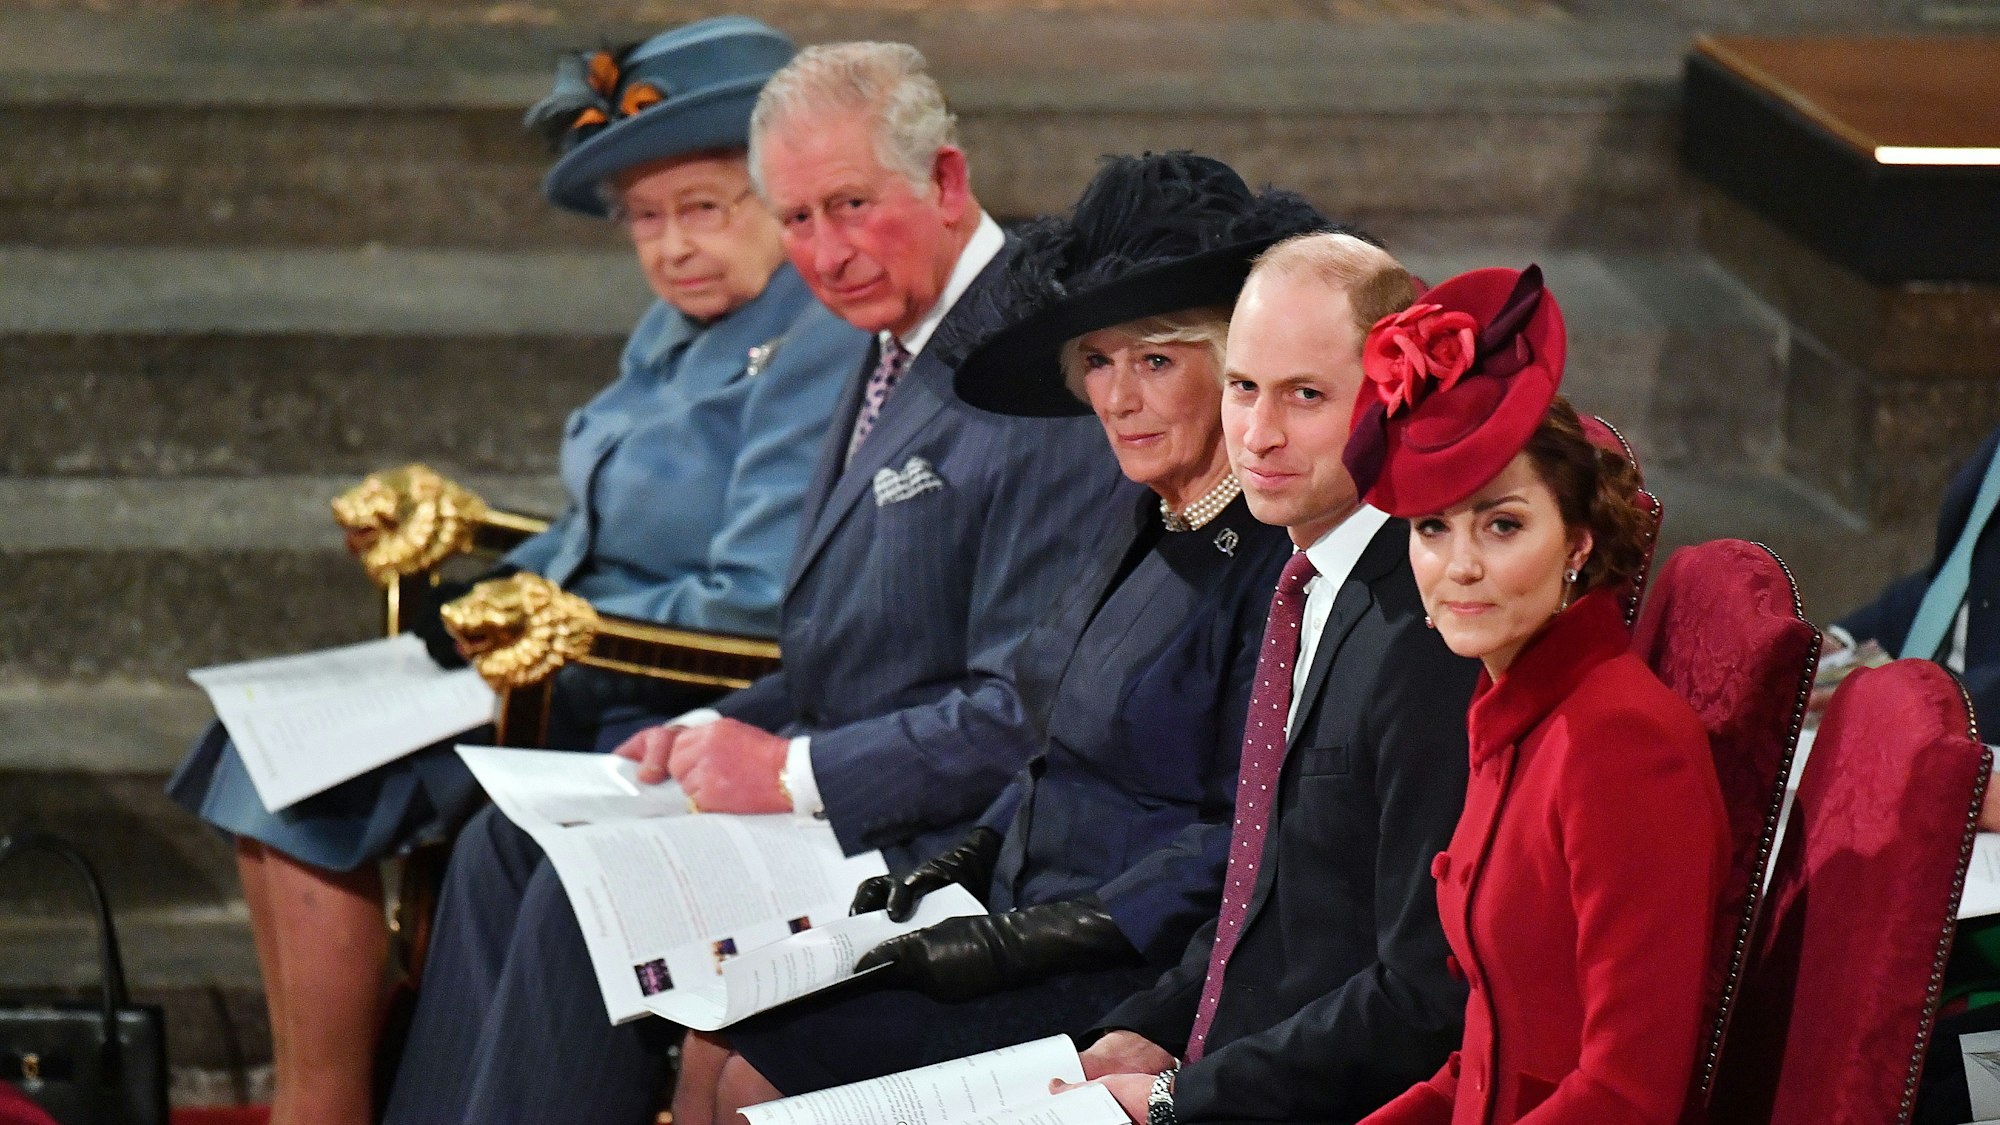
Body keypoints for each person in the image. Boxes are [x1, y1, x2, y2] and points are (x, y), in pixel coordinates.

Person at [379, 41, 1129, 1125]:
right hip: (843, 783)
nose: (825, 254)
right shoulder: (885, 334)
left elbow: (1025, 713)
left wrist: (788, 773)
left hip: (957, 837)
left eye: (851, 205)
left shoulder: (1029, 372)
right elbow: (844, 648)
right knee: (509, 844)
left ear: (947, 181)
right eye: (796, 220)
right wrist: (701, 732)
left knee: (583, 900)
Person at [163, 17, 865, 1124]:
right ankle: (322, 1096)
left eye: (701, 207)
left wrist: (547, 618)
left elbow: (756, 594)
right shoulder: (674, 327)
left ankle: (323, 1105)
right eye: (643, 217)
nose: (670, 244)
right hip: (564, 641)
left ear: (779, 197)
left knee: (303, 778)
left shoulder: (816, 333)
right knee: (261, 743)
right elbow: (596, 526)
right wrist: (492, 589)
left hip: (658, 681)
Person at [671, 152, 1326, 1121]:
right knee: (713, 1029)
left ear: (1235, 373)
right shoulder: (1143, 514)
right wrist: (965, 862)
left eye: (1154, 360)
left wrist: (1034, 938)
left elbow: (1237, 840)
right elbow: (1046, 741)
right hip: (1016, 915)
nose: (1117, 397)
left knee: (752, 1079)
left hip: (1126, 967)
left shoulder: (1271, 564)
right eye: (1098, 363)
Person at [1072, 232, 1480, 1124]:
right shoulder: (1302, 576)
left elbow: (1422, 993)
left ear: (1392, 402)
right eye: (1243, 387)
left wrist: (1186, 1097)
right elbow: (1264, 889)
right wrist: (1153, 1024)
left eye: (1306, 396)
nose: (1258, 435)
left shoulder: (1426, 630)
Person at [1349, 266, 1728, 1124]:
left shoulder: (1623, 742)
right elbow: (1492, 1056)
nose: (1461, 565)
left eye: (1503, 523)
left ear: (1578, 544)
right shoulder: (1510, 713)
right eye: (1433, 528)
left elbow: (1627, 1093)